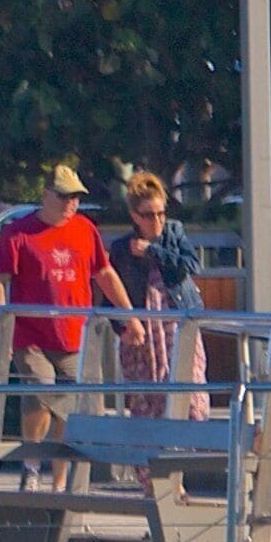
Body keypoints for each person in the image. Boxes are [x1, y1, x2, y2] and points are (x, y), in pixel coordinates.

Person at [0, 166, 128, 442]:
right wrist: (1, 331)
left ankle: (62, 481)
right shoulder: (17, 233)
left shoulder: (86, 229)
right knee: (40, 390)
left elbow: (104, 273)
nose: (70, 203)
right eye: (64, 196)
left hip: (75, 335)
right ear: (45, 195)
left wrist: (130, 316)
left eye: (75, 197)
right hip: (30, 336)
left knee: (71, 407)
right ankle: (32, 465)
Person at [108, 173, 206, 416]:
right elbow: (111, 291)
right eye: (149, 215)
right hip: (144, 327)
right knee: (146, 390)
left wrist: (154, 251)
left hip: (177, 318)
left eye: (161, 213)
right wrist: (122, 327)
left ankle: (190, 440)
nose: (157, 221)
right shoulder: (122, 248)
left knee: (187, 380)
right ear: (135, 216)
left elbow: (191, 265)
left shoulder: (174, 233)